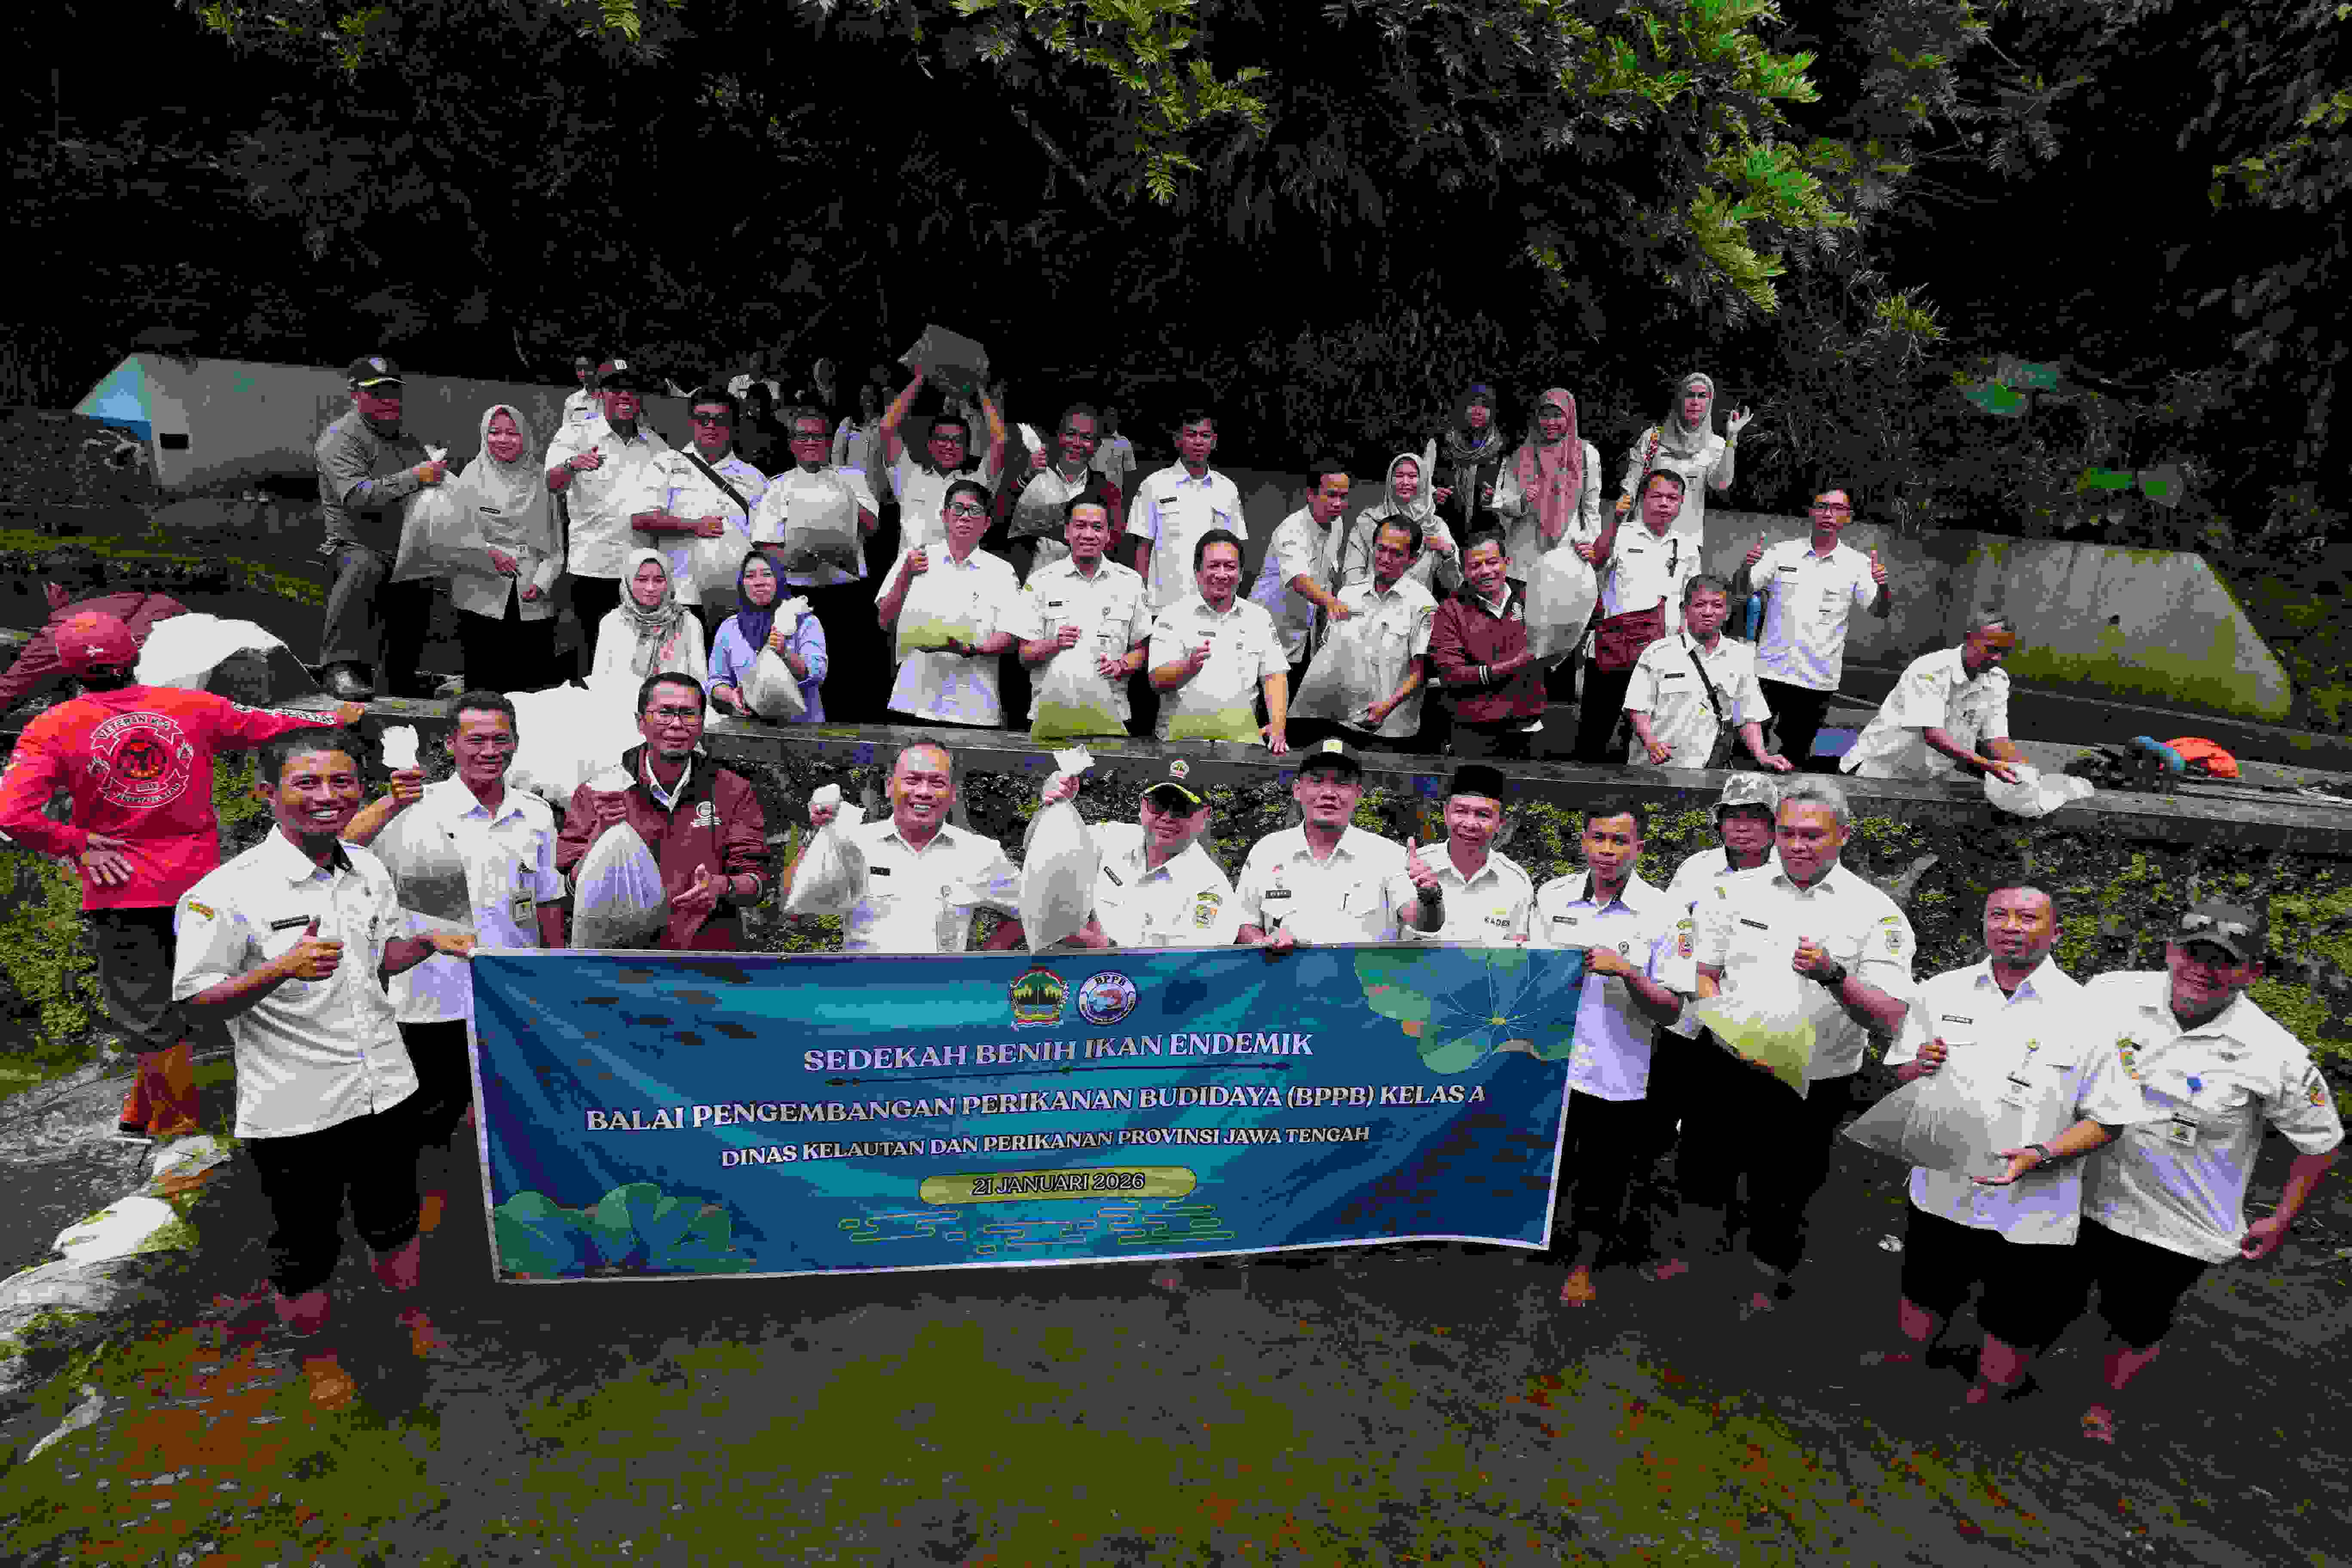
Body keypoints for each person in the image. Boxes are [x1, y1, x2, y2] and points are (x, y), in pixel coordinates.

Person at [172, 728, 476, 1399]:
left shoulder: (366, 868)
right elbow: (195, 1005)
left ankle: (410, 1316)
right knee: (304, 1245)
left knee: (396, 1220)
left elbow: (380, 956)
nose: (327, 797)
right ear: (267, 794)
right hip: (295, 1103)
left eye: (341, 782)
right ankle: (318, 1357)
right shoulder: (225, 893)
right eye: (306, 783)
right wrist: (280, 969)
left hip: (386, 1086)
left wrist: (430, 942)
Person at [0, 612, 364, 1142]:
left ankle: (179, 1135)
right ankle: (140, 1116)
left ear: (68, 670)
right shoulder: (190, 707)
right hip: (200, 886)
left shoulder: (51, 728)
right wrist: (339, 719)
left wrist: (75, 844)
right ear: (134, 658)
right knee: (188, 1001)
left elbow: (12, 815)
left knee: (145, 1014)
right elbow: (273, 724)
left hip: (120, 889)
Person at [2070, 901, 2342, 1443]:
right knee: (2043, 1293)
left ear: (2252, 973)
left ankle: (2102, 1404)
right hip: (2079, 1187)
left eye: (2224, 961)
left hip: (2174, 1218)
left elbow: (2321, 1142)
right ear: (2171, 951)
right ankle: (2013, 1373)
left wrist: (2282, 1217)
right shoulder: (2107, 994)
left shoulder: (2275, 1055)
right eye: (2193, 952)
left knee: (2137, 1321)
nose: (2203, 969)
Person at [1872, 885, 2147, 1408]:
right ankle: (1908, 1364)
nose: (2012, 927)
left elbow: (2112, 1119)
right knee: (1924, 1290)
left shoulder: (2092, 1015)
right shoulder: (1941, 993)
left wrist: (2040, 1156)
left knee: (2015, 1315)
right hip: (1944, 1184)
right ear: (1983, 925)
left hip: (2034, 1203)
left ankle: (1990, 1391)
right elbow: (1901, 1074)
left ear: (2056, 932)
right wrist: (1917, 1068)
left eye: (2028, 917)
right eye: (1999, 915)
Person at [338, 692, 566, 1235]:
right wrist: (390, 803)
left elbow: (550, 898)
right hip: (429, 993)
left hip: (511, 991)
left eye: (500, 740)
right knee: (429, 1122)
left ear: (515, 744)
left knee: (511, 1115)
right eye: (476, 740)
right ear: (450, 745)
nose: (490, 751)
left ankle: (508, 1224)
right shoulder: (415, 803)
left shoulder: (533, 813)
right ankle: (432, 1230)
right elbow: (341, 847)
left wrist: (555, 971)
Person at [1686, 777, 1916, 1315]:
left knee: (1786, 1187)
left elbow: (1891, 1016)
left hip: (1813, 1080)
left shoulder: (1874, 913)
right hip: (1729, 1066)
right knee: (1707, 1171)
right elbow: (1705, 972)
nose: (1797, 845)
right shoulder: (1734, 892)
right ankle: (1705, 1267)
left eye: (1812, 835)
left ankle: (1768, 1278)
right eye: (1787, 833)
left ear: (1843, 836)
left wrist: (1835, 975)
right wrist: (1722, 1025)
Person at [1530, 799, 1693, 1306]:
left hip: (1618, 1066)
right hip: (1551, 1062)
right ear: (1583, 842)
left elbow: (1670, 1010)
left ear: (1639, 848)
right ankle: (1543, 1240)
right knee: (1551, 1164)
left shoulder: (1670, 915)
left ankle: (1586, 1264)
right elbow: (1530, 974)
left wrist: (1628, 974)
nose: (1607, 851)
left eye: (1620, 841)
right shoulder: (1551, 896)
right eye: (1598, 838)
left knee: (1606, 1174)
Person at [1643, 773, 1785, 1277]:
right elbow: (1670, 930)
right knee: (1659, 1120)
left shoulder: (1789, 878)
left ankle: (1737, 1242)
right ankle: (1654, 1225)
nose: (1742, 828)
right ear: (1719, 821)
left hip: (1748, 1030)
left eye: (1755, 818)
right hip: (1686, 1017)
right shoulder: (1696, 869)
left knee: (1735, 1135)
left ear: (1774, 825)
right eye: (1733, 816)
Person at [554, 673, 772, 950]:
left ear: (702, 724)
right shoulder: (600, 792)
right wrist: (600, 836)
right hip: (625, 961)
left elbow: (757, 883)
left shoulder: (733, 790)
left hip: (708, 959)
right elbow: (572, 891)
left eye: (688, 714)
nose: (677, 725)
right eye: (665, 713)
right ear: (640, 723)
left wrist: (722, 887)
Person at [789, 741, 1027, 954]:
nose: (924, 792)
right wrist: (818, 833)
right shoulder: (853, 842)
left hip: (943, 993)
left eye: (937, 782)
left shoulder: (980, 853)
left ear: (953, 793)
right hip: (863, 991)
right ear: (889, 786)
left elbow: (1033, 909)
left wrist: (990, 955)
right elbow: (793, 903)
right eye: (912, 780)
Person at [1730, 488, 1891, 769]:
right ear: (1811, 512)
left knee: (1796, 757)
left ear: (1848, 517)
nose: (1829, 514)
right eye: (1823, 507)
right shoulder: (1782, 552)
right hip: (1768, 671)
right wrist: (1746, 566)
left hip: (1816, 679)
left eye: (1838, 509)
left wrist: (1884, 585)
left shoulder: (1857, 564)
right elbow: (1741, 591)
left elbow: (1879, 611)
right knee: (1747, 752)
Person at [314, 354, 445, 700]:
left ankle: (398, 677)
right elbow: (356, 497)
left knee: (419, 578)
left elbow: (424, 485)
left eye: (393, 392)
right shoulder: (339, 438)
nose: (388, 400)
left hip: (401, 544)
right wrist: (415, 476)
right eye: (377, 393)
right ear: (355, 393)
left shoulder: (405, 437)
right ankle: (340, 669)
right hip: (351, 545)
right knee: (365, 567)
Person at [1236, 738, 1443, 949]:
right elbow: (1244, 922)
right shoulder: (1267, 851)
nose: (1329, 793)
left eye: (1342, 784)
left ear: (1359, 795)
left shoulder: (1387, 855)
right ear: (1297, 790)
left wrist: (1430, 897)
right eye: (1317, 781)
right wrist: (1261, 942)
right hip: (1286, 978)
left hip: (1364, 980)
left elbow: (1425, 923)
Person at [750, 404, 883, 720]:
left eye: (818, 436)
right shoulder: (778, 486)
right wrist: (795, 560)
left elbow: (873, 526)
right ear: (792, 443)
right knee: (803, 676)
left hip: (849, 596)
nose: (811, 442)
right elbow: (766, 543)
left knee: (854, 680)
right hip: (801, 598)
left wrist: (846, 496)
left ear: (828, 442)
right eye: (802, 436)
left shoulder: (852, 477)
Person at [546, 359, 673, 670]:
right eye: (616, 388)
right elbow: (552, 483)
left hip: (642, 574)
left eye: (632, 388)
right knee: (589, 661)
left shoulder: (655, 444)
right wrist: (572, 464)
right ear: (602, 393)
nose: (625, 395)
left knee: (638, 661)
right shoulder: (575, 434)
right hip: (593, 568)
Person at [1035, 758, 1241, 948]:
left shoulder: (1211, 889)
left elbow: (1190, 969)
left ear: (1205, 815)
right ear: (1142, 804)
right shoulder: (1111, 838)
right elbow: (1042, 850)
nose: (1167, 817)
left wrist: (1105, 946)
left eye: (1182, 808)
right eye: (1159, 804)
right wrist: (1052, 806)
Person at [1575, 469, 1700, 764]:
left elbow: (1690, 601)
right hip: (1614, 649)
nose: (1665, 503)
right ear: (1642, 499)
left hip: (1662, 653)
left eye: (1673, 498)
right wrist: (1615, 521)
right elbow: (1598, 560)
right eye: (1657, 496)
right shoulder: (1621, 533)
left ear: (1682, 504)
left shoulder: (1688, 546)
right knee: (1595, 732)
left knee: (1646, 737)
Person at [876, 477, 1021, 728]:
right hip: (913, 701)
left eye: (975, 510)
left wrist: (971, 648)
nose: (965, 516)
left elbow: (1010, 636)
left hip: (975, 706)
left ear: (987, 523)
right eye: (958, 508)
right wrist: (906, 575)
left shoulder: (1002, 571)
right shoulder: (915, 558)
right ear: (944, 515)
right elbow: (885, 622)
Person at [1008, 495, 1152, 742]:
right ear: (1067, 531)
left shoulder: (1130, 583)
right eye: (1080, 526)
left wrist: (1122, 666)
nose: (1088, 534)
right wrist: (1054, 643)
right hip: (1051, 717)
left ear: (1108, 535)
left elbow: (1142, 650)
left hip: (1111, 717)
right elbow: (1024, 657)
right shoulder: (1041, 582)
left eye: (1097, 527)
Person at [631, 386, 770, 637]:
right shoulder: (666, 464)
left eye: (720, 420)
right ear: (692, 423)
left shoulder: (755, 478)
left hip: (737, 599)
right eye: (702, 419)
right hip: (680, 597)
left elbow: (765, 541)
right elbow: (641, 520)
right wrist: (694, 526)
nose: (710, 426)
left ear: (733, 425)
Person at [1623, 575, 1791, 772]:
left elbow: (1748, 716)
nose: (1708, 612)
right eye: (1700, 605)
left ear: (1728, 613)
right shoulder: (1658, 653)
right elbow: (1637, 708)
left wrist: (1762, 756)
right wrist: (1650, 742)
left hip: (1710, 772)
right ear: (1685, 610)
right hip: (1656, 770)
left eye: (1717, 606)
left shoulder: (1740, 656)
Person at [447, 404, 561, 691]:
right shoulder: (471, 476)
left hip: (530, 590)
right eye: (494, 432)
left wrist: (543, 581)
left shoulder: (541, 478)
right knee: (483, 680)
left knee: (530, 682)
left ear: (525, 436)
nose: (503, 440)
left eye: (512, 433)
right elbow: (456, 535)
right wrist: (489, 553)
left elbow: (555, 542)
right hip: (480, 589)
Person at [1146, 529, 1289, 752]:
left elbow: (1274, 675)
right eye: (1214, 566)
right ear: (1197, 571)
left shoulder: (1259, 618)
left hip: (1240, 744)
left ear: (1241, 574)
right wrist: (1189, 667)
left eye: (1230, 567)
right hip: (1180, 744)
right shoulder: (1172, 616)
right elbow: (1156, 681)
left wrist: (1279, 725)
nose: (1222, 574)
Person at [0, 547, 188, 715]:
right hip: (190, 715)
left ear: (55, 588)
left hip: (135, 724)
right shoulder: (169, 605)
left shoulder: (69, 628)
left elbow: (11, 692)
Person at [1841, 613, 2026, 784]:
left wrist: (2027, 774)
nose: (1997, 658)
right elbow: (1934, 736)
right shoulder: (1929, 670)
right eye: (1991, 649)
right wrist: (1987, 765)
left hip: (1925, 780)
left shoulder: (1997, 681)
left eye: (2004, 651)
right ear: (1969, 637)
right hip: (1876, 772)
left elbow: (1997, 740)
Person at [1317, 517, 1438, 754]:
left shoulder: (1423, 605)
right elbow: (1329, 659)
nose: (1385, 558)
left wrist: (1388, 706)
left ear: (1412, 559)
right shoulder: (1347, 596)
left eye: (1395, 553)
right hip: (1344, 724)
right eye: (1381, 549)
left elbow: (1421, 672)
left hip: (1392, 731)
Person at [1428, 531, 1545, 760]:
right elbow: (1452, 674)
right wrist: (1512, 666)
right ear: (1463, 571)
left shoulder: (1533, 596)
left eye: (1492, 562)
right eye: (1475, 565)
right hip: (1473, 731)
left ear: (1506, 562)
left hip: (1527, 727)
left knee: (1525, 796)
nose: (1485, 571)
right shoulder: (1451, 610)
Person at [1244, 460, 1352, 700]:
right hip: (1265, 632)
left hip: (1302, 637)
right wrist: (1332, 603)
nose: (1338, 504)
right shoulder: (1291, 530)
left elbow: (1328, 575)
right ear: (1311, 494)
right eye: (1331, 495)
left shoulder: (1338, 524)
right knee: (1260, 711)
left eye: (1343, 497)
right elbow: (1298, 580)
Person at [1124, 409, 1244, 613]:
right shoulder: (1154, 485)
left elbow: (1237, 549)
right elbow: (1143, 547)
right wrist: (1141, 597)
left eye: (1205, 436)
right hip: (1164, 605)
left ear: (1214, 442)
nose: (1198, 441)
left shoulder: (1228, 489)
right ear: (1178, 440)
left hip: (1214, 604)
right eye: (1191, 434)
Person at [1397, 764, 1534, 943]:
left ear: (1501, 823)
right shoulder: (1413, 867)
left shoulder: (1516, 882)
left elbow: (1515, 954)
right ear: (1446, 814)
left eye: (1483, 815)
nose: (1470, 824)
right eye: (1461, 811)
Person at [879, 363, 1007, 554]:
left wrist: (979, 387)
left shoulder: (976, 483)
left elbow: (1000, 439)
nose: (949, 446)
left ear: (967, 449)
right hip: (913, 577)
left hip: (959, 579)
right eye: (942, 439)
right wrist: (922, 378)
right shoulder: (908, 475)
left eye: (957, 441)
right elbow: (887, 427)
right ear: (930, 445)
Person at [1615, 371, 1752, 548]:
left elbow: (1721, 484)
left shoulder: (1716, 444)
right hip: (1642, 536)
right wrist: (1620, 523)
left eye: (1702, 396)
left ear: (1709, 402)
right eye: (1690, 395)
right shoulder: (1653, 438)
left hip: (1687, 544)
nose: (1695, 401)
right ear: (1680, 398)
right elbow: (1631, 483)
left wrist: (1732, 438)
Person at [1495, 387, 1602, 587]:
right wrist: (1522, 502)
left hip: (1569, 551)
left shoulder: (1587, 455)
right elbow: (1503, 507)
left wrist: (1591, 543)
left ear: (1570, 417)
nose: (1550, 423)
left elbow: (1591, 508)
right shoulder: (1520, 456)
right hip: (1523, 556)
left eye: (1557, 416)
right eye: (1545, 416)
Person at [1004, 404, 1124, 580]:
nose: (1076, 443)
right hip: (1031, 580)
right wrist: (1027, 477)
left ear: (1097, 445)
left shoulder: (1107, 492)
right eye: (1071, 434)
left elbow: (1114, 543)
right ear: (1059, 437)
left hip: (1085, 582)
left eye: (1086, 437)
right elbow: (999, 522)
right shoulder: (1030, 474)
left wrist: (1054, 531)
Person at [708, 549, 826, 722]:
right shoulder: (729, 628)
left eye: (766, 574)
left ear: (778, 579)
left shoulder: (804, 622)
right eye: (750, 576)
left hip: (801, 729)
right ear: (742, 583)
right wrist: (731, 695)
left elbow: (817, 674)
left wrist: (785, 653)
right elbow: (716, 680)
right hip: (748, 730)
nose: (759, 583)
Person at [1335, 453, 1461, 599]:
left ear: (1424, 482)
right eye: (1399, 475)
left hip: (1415, 612)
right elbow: (1353, 572)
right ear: (1390, 480)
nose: (1405, 482)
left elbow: (1454, 586)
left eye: (1413, 476)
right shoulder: (1368, 521)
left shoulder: (1436, 527)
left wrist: (1447, 555)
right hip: (1370, 606)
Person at [591, 551, 709, 686]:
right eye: (642, 580)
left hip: (675, 705)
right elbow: (600, 683)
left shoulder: (688, 623)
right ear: (628, 581)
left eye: (659, 580)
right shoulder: (612, 623)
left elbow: (700, 684)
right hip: (620, 705)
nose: (650, 588)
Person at [1428, 381, 1515, 546]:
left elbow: (1511, 497)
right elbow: (1420, 484)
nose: (1478, 411)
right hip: (1442, 535)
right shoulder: (1441, 444)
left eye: (1485, 406)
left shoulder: (1501, 449)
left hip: (1485, 538)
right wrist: (1432, 494)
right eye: (1472, 404)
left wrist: (1494, 498)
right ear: (1462, 408)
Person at [1091, 405, 1137, 491]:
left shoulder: (1124, 443)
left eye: (1112, 416)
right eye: (1106, 416)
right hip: (1092, 497)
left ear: (1118, 420)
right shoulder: (1090, 442)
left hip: (1115, 497)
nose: (1109, 420)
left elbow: (1130, 477)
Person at [561, 354, 601, 427]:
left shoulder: (610, 398)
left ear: (596, 368)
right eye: (579, 369)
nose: (583, 373)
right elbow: (566, 431)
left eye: (587, 368)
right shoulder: (571, 400)